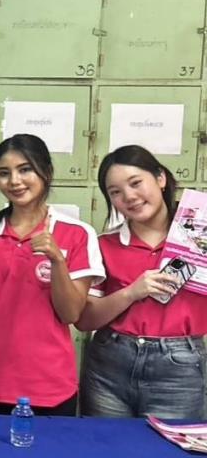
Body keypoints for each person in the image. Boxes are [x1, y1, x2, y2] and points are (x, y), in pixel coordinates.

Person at [0, 134, 104, 416]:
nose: (14, 181)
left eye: (25, 169)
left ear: (46, 172)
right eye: (4, 173)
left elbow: (70, 313)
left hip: (48, 383)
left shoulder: (76, 233)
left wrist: (57, 260)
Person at [76, 146, 206, 419]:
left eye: (136, 183)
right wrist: (131, 292)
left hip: (179, 370)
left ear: (160, 178)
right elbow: (85, 320)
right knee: (105, 443)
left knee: (169, 446)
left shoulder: (199, 240)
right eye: (115, 192)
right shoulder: (105, 244)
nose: (129, 197)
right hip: (110, 364)